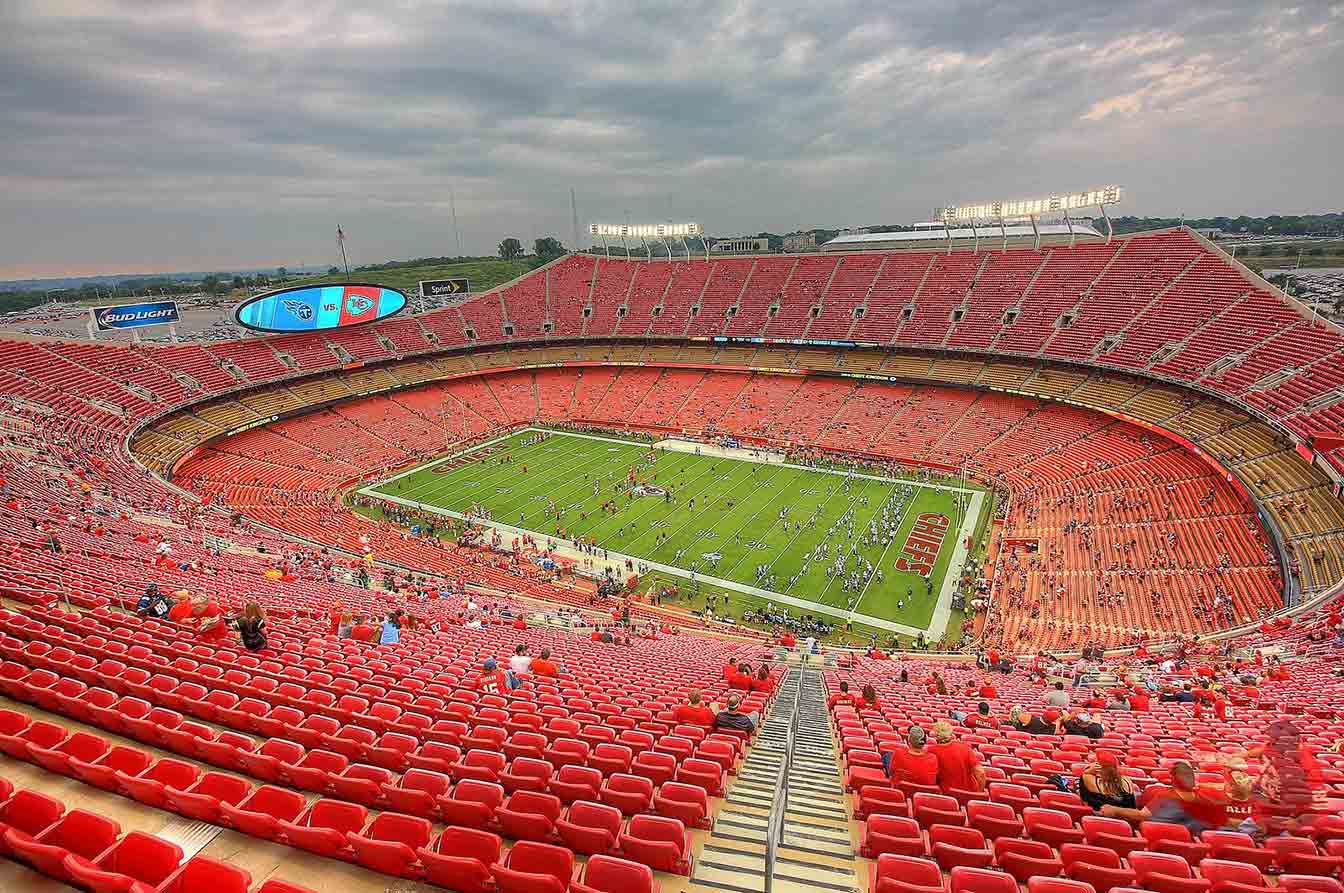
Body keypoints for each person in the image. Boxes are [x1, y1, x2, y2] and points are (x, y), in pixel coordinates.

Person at [1145, 761, 1227, 834]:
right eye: (1184, 775)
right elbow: (1145, 815)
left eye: (1189, 775)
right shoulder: (1162, 794)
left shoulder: (1206, 796)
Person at [1079, 750, 1142, 819]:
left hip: (1098, 817)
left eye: (1095, 762)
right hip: (1124, 819)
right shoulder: (1127, 781)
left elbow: (1083, 775)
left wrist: (1089, 770)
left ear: (1098, 766)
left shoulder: (1088, 778)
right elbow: (1131, 805)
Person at [929, 720, 984, 792]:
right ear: (951, 735)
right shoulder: (965, 747)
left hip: (947, 794)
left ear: (936, 736)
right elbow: (980, 773)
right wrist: (980, 793)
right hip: (970, 794)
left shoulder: (931, 751)